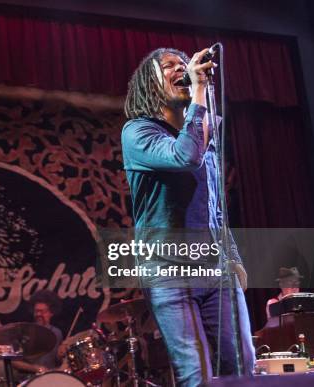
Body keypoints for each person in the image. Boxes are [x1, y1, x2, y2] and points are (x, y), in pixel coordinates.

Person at [121, 48, 255, 386]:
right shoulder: (138, 133)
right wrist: (197, 91)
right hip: (169, 270)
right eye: (169, 67)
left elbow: (215, 205)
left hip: (215, 267)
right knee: (196, 374)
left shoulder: (203, 133)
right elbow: (185, 157)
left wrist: (233, 256)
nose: (181, 70)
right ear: (149, 84)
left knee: (242, 365)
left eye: (185, 66)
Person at [12, 290, 63, 375]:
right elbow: (14, 362)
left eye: (42, 311)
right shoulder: (25, 333)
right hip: (29, 378)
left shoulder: (57, 333)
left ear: (51, 313)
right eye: (36, 311)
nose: (39, 314)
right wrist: (35, 368)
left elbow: (57, 361)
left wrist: (61, 355)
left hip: (50, 378)